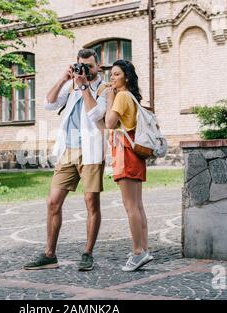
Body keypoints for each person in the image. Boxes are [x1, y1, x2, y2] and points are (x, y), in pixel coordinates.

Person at [23, 49, 107, 271]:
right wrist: (64, 78)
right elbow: (48, 104)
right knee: (53, 202)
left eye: (89, 66)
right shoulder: (71, 86)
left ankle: (87, 253)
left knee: (91, 202)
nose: (85, 70)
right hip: (68, 150)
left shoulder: (105, 88)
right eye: (82, 66)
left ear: (98, 66)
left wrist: (84, 86)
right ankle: (49, 254)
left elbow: (96, 115)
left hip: (91, 150)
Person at [104, 59, 153, 272]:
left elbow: (108, 123)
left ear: (126, 77)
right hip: (136, 153)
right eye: (111, 74)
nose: (112, 78)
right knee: (138, 205)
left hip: (125, 152)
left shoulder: (121, 96)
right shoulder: (130, 97)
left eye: (116, 74)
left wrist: (108, 98)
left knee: (130, 206)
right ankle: (144, 248)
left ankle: (137, 253)